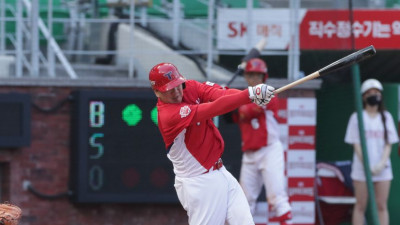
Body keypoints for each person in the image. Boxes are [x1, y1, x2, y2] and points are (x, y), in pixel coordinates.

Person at [149, 62, 275, 225]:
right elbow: (213, 108)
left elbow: (220, 94)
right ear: (157, 92)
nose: (176, 92)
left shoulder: (190, 87)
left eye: (178, 85)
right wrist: (249, 94)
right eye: (169, 89)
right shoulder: (168, 115)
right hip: (199, 182)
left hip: (220, 172)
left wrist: (253, 97)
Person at [229, 58, 292, 225]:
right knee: (245, 203)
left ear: (264, 77)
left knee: (277, 197)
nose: (254, 79)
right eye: (250, 75)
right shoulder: (241, 96)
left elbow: (245, 111)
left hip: (269, 151)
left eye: (258, 75)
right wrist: (223, 101)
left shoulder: (268, 94)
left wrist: (228, 101)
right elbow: (230, 117)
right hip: (249, 155)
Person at [344, 78, 399, 225]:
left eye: (376, 92)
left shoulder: (386, 117)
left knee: (381, 205)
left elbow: (389, 143)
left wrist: (381, 163)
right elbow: (355, 143)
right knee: (360, 206)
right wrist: (366, 164)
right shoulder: (357, 117)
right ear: (364, 96)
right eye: (370, 93)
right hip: (362, 168)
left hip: (382, 169)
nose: (374, 95)